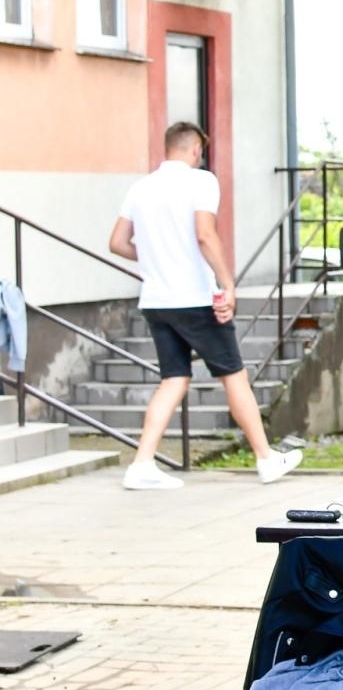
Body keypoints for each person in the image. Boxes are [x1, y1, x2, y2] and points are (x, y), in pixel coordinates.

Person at [109, 122, 302, 490]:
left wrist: (154, 260)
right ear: (195, 149)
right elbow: (204, 234)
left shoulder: (141, 188)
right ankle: (265, 458)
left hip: (156, 300)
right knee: (234, 375)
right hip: (195, 298)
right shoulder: (201, 181)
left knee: (174, 379)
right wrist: (227, 284)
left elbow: (118, 242)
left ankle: (142, 463)